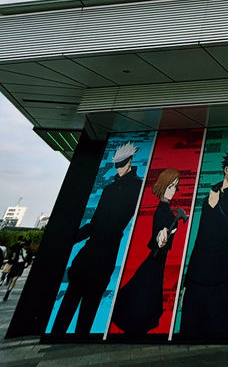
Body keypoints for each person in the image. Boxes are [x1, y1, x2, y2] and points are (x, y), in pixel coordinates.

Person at [51, 142, 143, 333]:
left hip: (104, 254)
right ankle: (63, 335)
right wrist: (70, 239)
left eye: (122, 163)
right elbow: (94, 223)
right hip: (91, 254)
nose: (118, 168)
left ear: (130, 162)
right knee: (71, 304)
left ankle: (76, 337)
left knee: (87, 307)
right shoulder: (109, 190)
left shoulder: (137, 188)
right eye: (117, 164)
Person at [180, 147, 228, 338]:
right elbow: (200, 237)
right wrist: (187, 282)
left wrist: (216, 205)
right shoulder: (211, 193)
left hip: (219, 272)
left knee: (216, 331)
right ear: (226, 169)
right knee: (189, 329)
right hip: (198, 273)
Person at [111, 168, 188, 336]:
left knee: (145, 287)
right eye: (170, 186)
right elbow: (157, 234)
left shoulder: (166, 209)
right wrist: (162, 238)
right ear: (163, 186)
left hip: (159, 258)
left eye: (175, 186)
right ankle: (136, 320)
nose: (173, 190)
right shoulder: (163, 210)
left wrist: (169, 234)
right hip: (156, 257)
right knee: (144, 287)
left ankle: (138, 319)